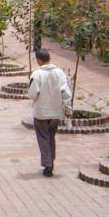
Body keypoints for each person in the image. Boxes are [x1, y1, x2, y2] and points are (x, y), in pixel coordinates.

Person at [27, 48, 73, 177]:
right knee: (51, 137)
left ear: (38, 60)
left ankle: (48, 165)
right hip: (56, 113)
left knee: (43, 138)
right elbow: (66, 92)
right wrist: (68, 109)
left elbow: (32, 94)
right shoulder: (60, 73)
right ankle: (51, 161)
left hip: (41, 112)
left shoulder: (37, 74)